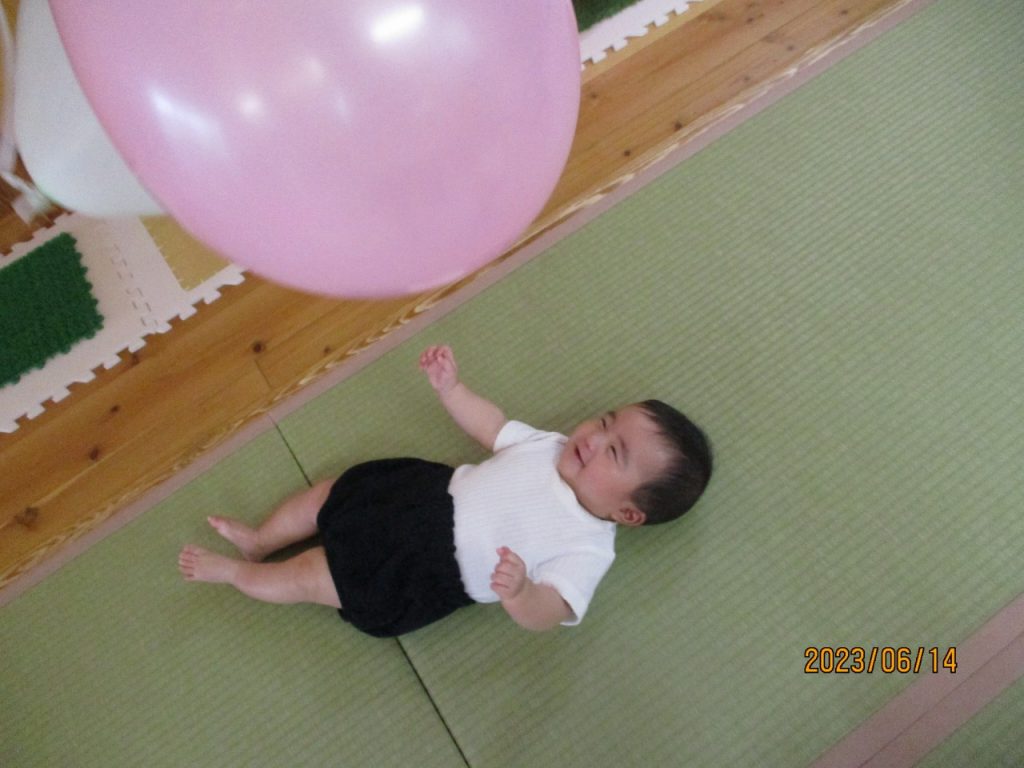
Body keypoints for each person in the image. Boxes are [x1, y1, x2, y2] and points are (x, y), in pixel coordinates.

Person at [179, 345, 712, 637]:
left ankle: (237, 573)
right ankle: (261, 539)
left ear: (628, 512)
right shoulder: (548, 446)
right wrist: (453, 390)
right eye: (605, 421)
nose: (594, 438)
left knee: (309, 577)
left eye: (615, 453)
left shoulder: (589, 547)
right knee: (327, 497)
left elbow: (550, 611)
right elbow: (492, 426)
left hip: (425, 571)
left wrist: (522, 593)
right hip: (421, 495)